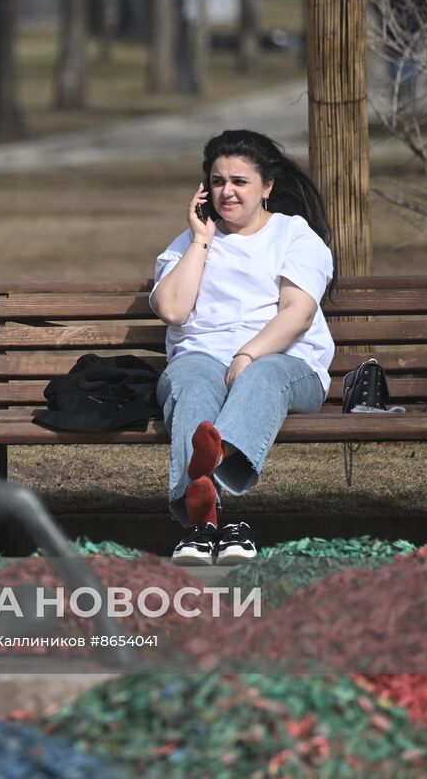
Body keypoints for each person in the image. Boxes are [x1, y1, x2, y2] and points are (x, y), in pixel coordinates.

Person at [149, 130, 335, 566]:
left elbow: (297, 314)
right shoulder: (191, 241)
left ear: (267, 187)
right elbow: (172, 310)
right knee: (191, 382)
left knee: (263, 374)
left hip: (286, 365)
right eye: (217, 181)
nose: (226, 191)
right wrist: (200, 240)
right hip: (202, 360)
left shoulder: (295, 236)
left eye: (239, 181)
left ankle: (210, 467)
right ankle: (206, 526)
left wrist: (248, 354)